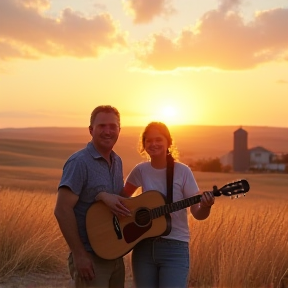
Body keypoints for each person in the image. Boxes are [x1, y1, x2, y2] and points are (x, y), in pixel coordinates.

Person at [122, 121, 215, 288]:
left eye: (158, 139)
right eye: (148, 140)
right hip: (143, 246)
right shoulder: (140, 170)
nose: (153, 144)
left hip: (175, 248)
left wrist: (206, 206)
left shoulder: (183, 171)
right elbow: (121, 199)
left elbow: (197, 213)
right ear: (143, 145)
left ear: (168, 143)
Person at [54, 105, 129, 288]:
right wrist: (79, 255)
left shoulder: (117, 161)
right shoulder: (79, 162)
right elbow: (62, 210)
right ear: (91, 130)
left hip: (115, 256)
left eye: (113, 126)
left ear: (119, 130)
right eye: (102, 126)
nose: (108, 131)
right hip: (90, 258)